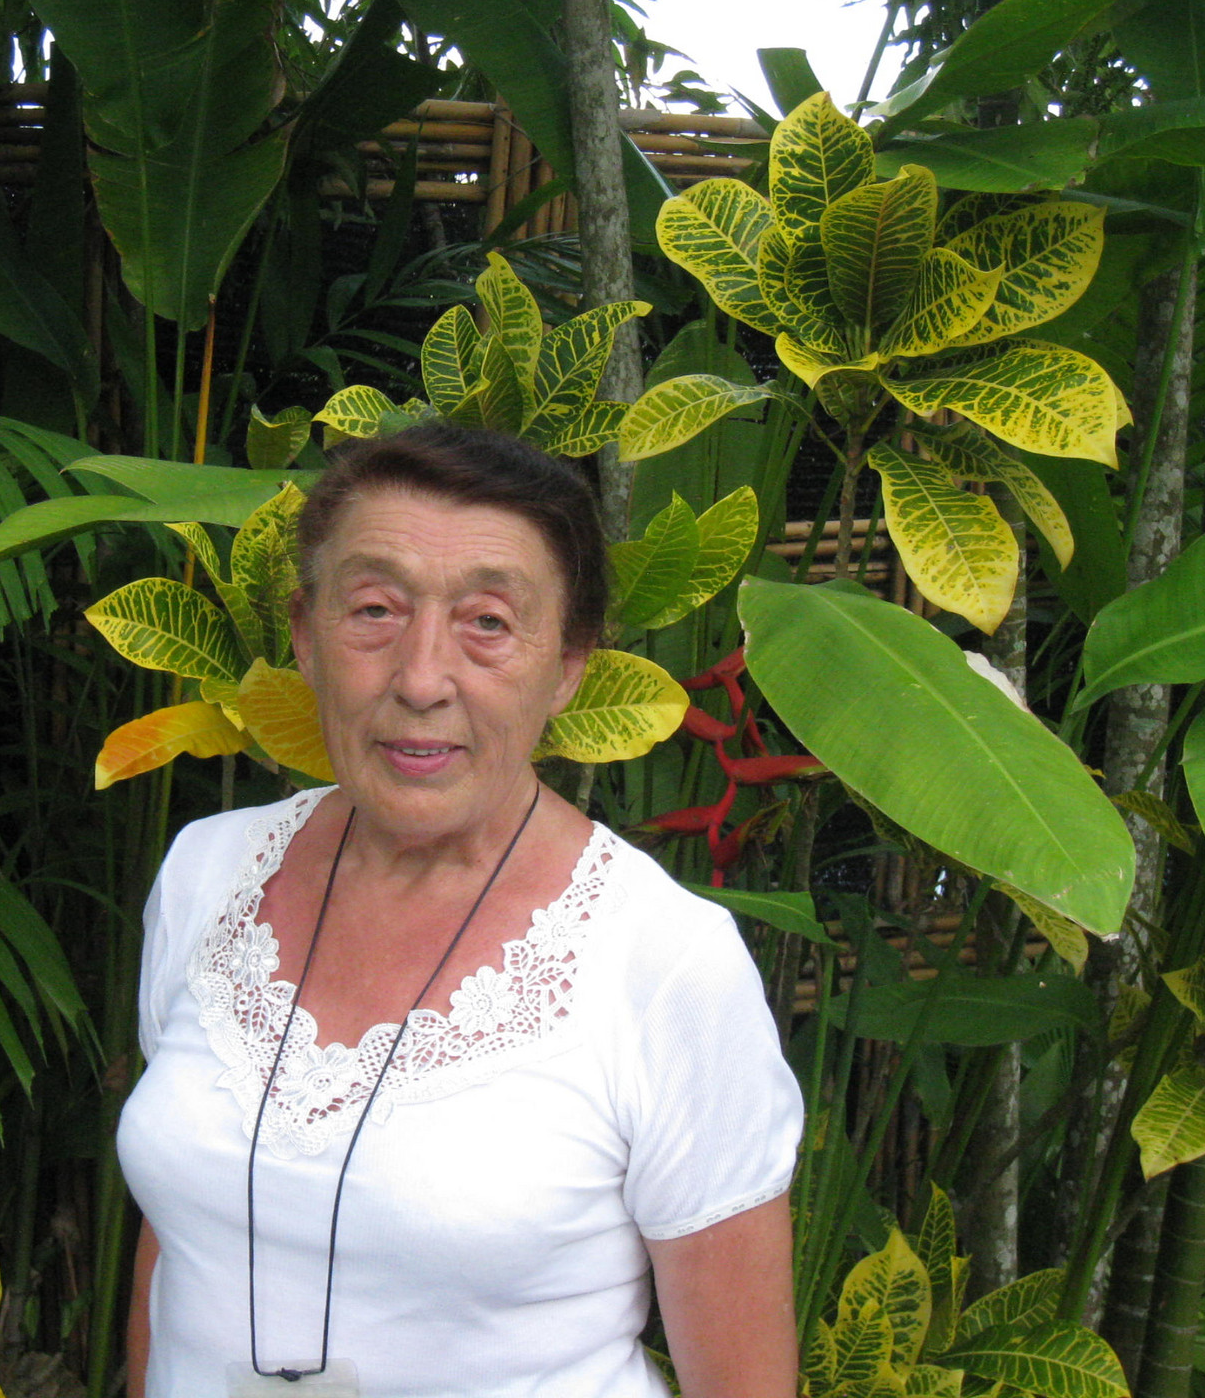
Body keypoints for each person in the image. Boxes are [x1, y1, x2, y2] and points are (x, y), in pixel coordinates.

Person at [117, 424, 803, 1398]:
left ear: (568, 665)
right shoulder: (209, 874)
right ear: (306, 636)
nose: (421, 679)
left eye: (487, 622)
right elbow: (180, 1237)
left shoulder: (664, 963)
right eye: (374, 610)